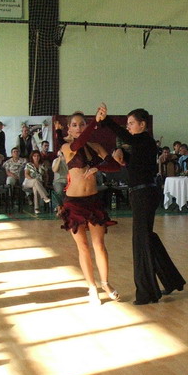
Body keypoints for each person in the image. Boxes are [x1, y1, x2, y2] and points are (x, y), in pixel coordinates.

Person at [96, 104, 186, 304]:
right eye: (127, 124)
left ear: (142, 125)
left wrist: (107, 120)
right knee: (148, 238)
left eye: (131, 123)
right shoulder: (142, 144)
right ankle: (171, 280)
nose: (128, 127)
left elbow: (127, 139)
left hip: (144, 194)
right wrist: (121, 154)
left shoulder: (144, 139)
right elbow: (134, 160)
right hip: (142, 194)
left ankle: (147, 293)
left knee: (141, 242)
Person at [58, 111, 121, 305]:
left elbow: (115, 165)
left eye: (82, 124)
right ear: (69, 129)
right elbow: (79, 143)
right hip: (74, 203)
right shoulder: (67, 147)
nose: (78, 128)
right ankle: (92, 287)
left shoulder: (96, 147)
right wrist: (95, 121)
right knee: (83, 247)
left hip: (93, 200)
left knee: (99, 245)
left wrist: (98, 167)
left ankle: (105, 283)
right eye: (74, 125)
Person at [23, 149, 52, 214]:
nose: (36, 157)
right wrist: (33, 180)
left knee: (36, 189)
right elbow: (26, 174)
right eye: (34, 156)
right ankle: (45, 196)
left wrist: (46, 183)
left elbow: (46, 175)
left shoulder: (43, 165)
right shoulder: (29, 164)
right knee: (35, 181)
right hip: (28, 182)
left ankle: (36, 208)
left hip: (39, 183)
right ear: (32, 157)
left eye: (38, 156)